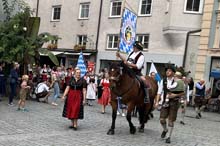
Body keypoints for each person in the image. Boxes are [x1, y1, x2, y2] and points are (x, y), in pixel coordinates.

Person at [155, 66, 184, 144]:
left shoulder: (177, 81)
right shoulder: (163, 80)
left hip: (174, 103)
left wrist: (175, 95)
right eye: (167, 70)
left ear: (173, 73)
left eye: (170, 71)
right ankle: (165, 130)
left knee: (171, 121)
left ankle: (168, 137)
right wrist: (157, 102)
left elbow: (182, 92)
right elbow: (159, 92)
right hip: (165, 102)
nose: (167, 72)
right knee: (162, 120)